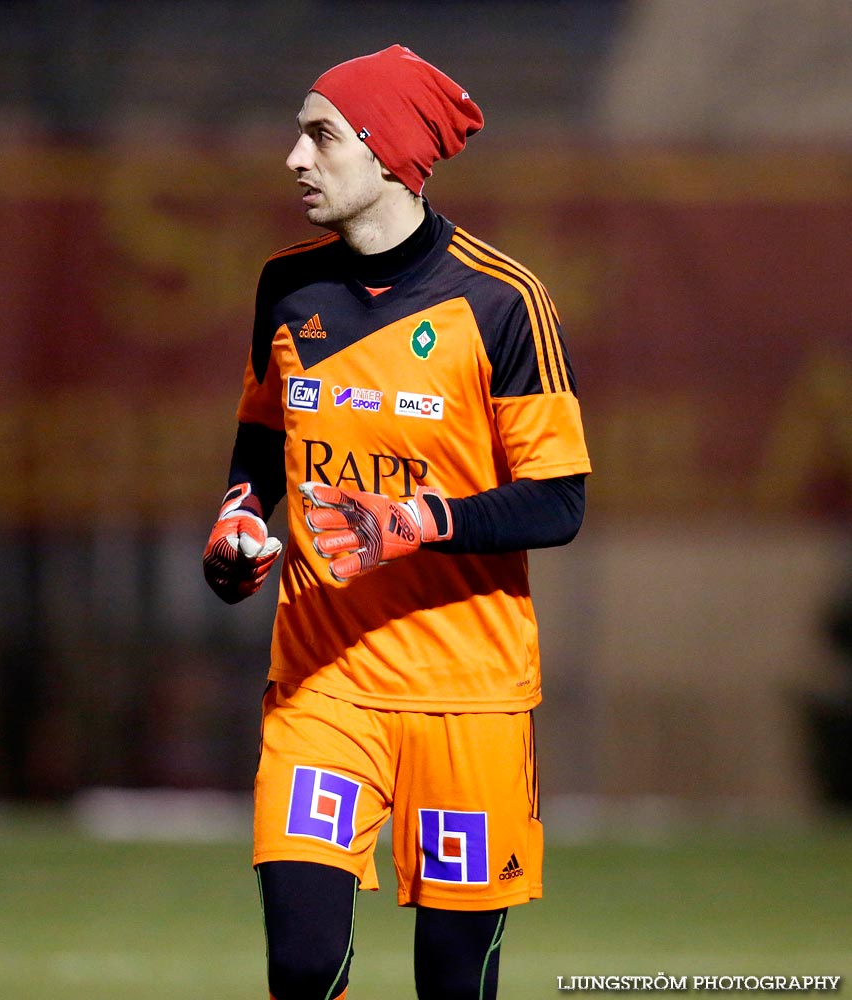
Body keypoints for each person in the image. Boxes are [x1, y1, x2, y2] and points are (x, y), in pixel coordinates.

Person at [202, 44, 591, 1000]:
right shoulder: (286, 288)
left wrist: (414, 521)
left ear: (387, 155)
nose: (295, 157)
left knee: (453, 985)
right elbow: (262, 440)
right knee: (301, 963)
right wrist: (239, 521)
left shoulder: (504, 303)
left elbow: (559, 499)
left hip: (471, 696)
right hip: (323, 686)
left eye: (321, 135)